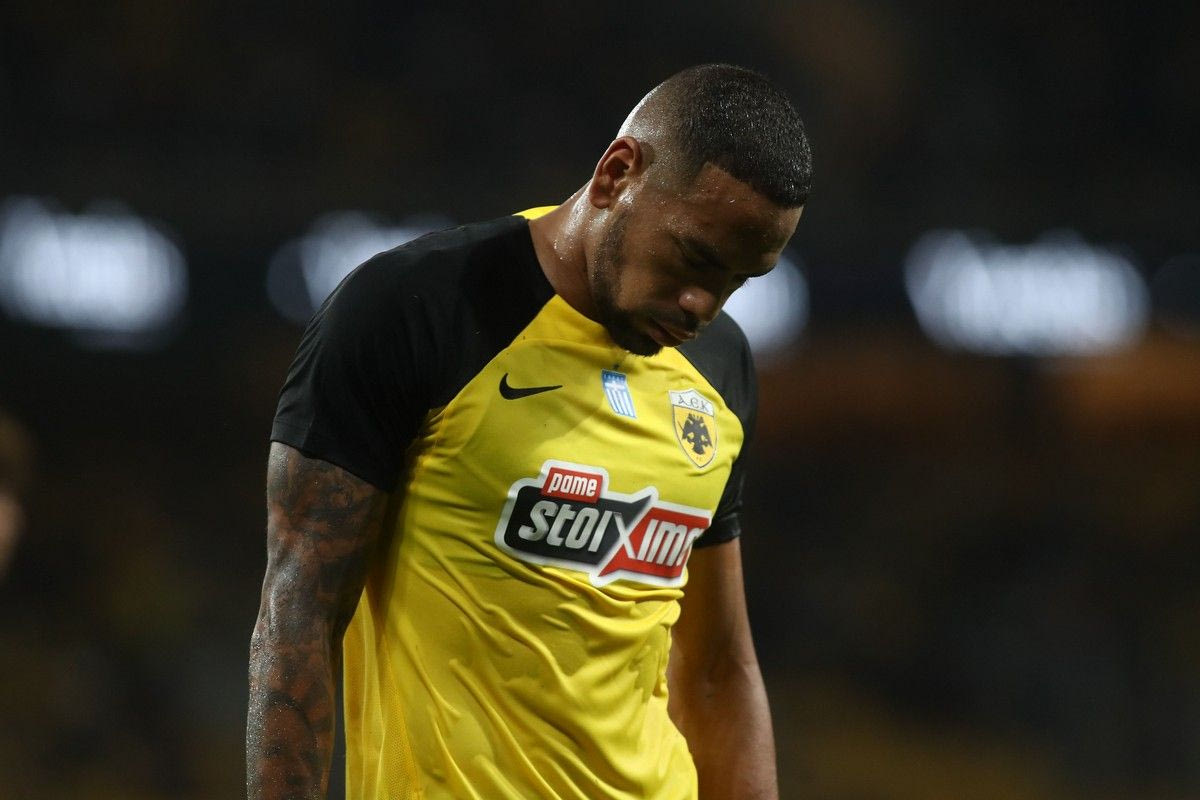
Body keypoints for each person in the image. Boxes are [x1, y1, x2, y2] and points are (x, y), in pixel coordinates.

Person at [248, 63, 811, 800]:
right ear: (617, 174)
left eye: (739, 279)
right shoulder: (416, 310)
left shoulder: (721, 367)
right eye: (694, 257)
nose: (703, 304)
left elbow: (714, 671)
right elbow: (298, 617)